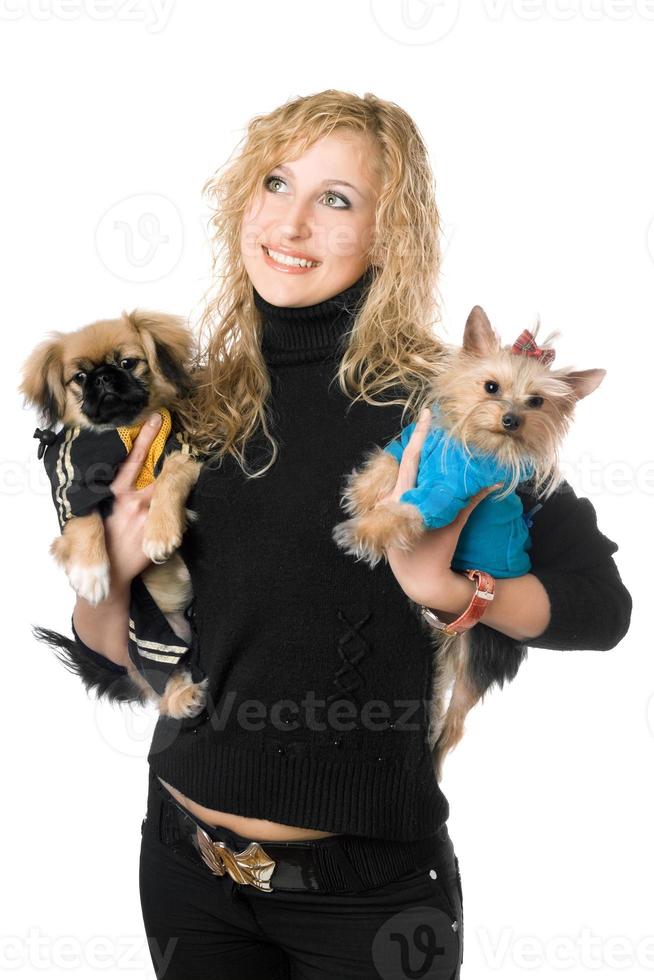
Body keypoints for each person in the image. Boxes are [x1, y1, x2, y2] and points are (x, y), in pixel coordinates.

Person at [67, 90, 632, 980]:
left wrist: (449, 589)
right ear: (242, 201)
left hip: (364, 904)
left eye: (336, 200)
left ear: (389, 232)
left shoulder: (452, 405)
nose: (290, 222)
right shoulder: (195, 408)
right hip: (184, 870)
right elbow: (111, 656)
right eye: (275, 183)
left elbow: (601, 610)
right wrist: (113, 567)